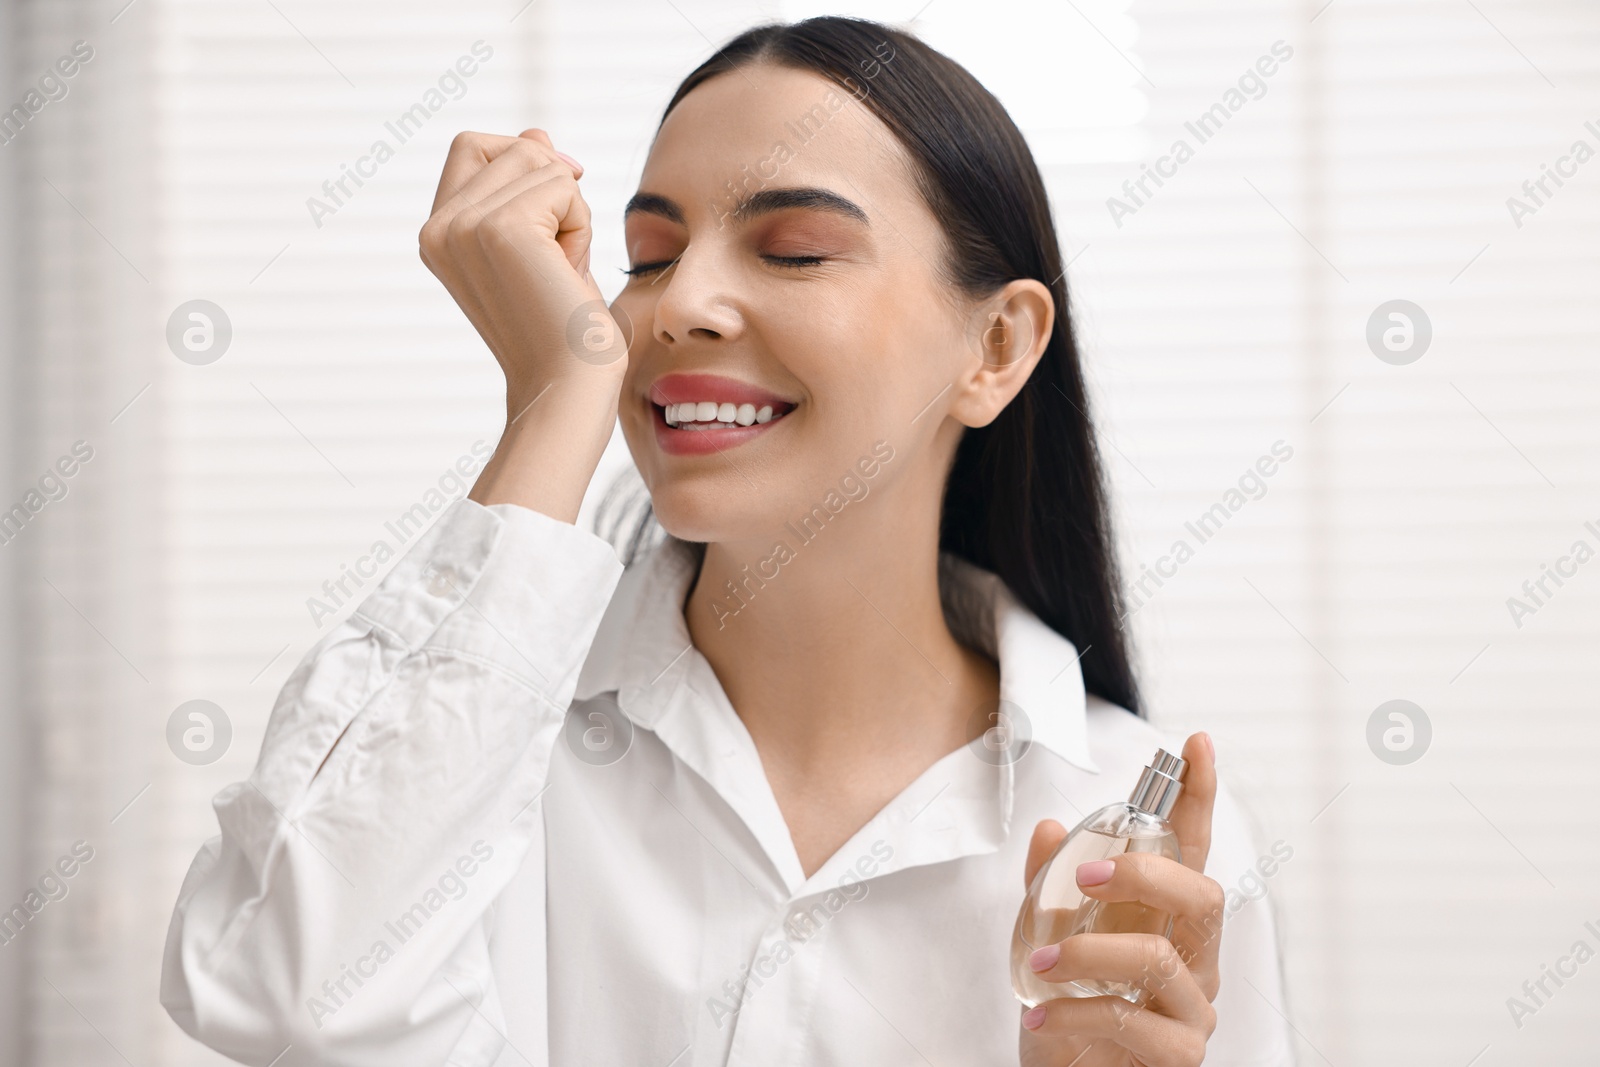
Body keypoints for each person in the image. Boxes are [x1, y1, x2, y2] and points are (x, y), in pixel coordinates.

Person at [161, 16, 1293, 1067]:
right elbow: (281, 994)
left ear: (995, 344)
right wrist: (555, 394)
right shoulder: (481, 753)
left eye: (793, 251)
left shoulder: (1135, 855)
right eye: (648, 256)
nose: (676, 303)